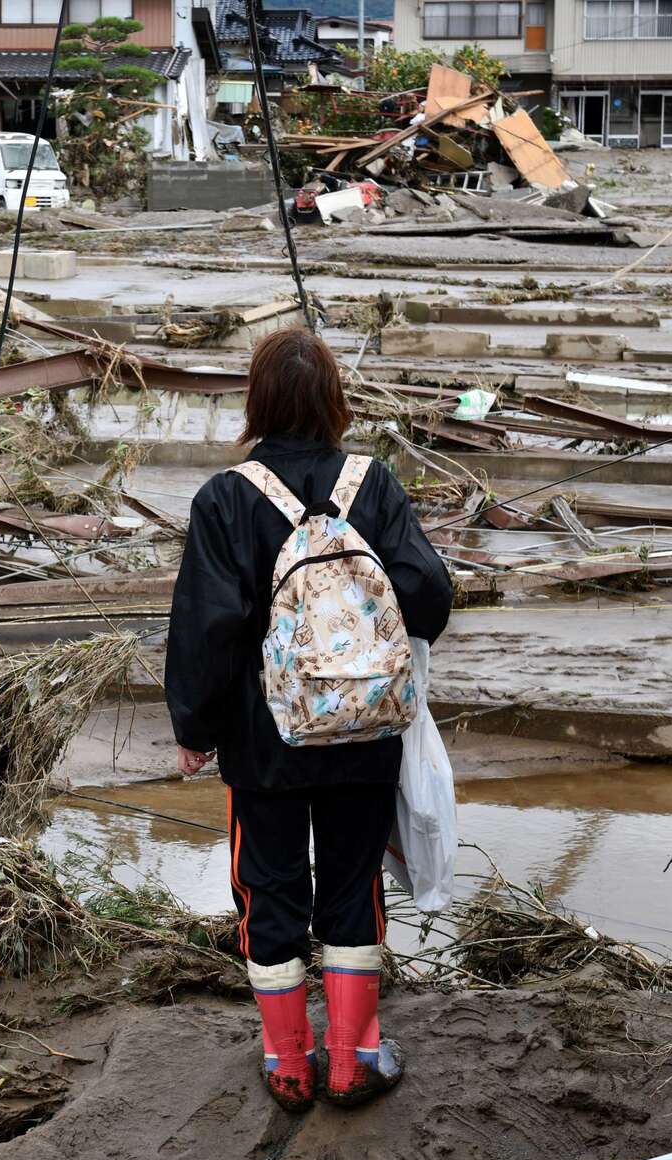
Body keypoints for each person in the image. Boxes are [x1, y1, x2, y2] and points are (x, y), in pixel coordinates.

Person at [165, 327, 452, 1112]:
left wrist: (195, 729)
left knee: (268, 889)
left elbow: (207, 628)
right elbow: (430, 597)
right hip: (366, 732)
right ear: (335, 401)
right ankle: (355, 1057)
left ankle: (287, 1061)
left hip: (266, 746)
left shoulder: (225, 499)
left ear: (257, 402)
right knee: (354, 886)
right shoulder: (376, 484)